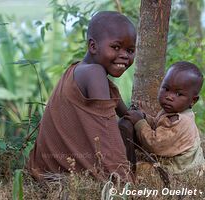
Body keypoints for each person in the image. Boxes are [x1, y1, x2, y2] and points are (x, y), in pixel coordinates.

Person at [27, 11, 137, 182]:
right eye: (116, 47)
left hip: (45, 171)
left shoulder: (80, 69)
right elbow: (107, 134)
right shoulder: (94, 73)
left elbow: (125, 113)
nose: (125, 55)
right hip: (62, 178)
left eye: (130, 50)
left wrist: (139, 119)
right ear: (93, 46)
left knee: (128, 124)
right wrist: (125, 182)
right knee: (125, 128)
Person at [125, 61, 205, 174]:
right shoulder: (173, 111)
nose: (169, 97)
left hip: (180, 168)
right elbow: (158, 126)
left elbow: (155, 144)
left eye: (178, 94)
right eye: (166, 89)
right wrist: (144, 117)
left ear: (193, 100)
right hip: (174, 158)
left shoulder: (180, 121)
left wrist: (140, 122)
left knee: (136, 170)